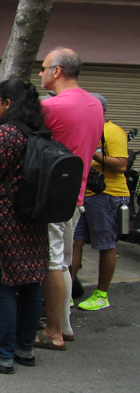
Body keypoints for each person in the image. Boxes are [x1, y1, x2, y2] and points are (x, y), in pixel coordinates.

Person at [0, 78, 50, 375]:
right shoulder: (39, 132)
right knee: (31, 283)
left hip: (6, 219)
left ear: (8, 103)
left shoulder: (7, 134)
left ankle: (1, 355)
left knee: (3, 285)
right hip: (35, 219)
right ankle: (24, 349)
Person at [36, 48, 103, 350]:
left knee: (52, 262)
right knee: (62, 261)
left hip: (50, 197)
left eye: (44, 67)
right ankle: (64, 324)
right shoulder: (95, 105)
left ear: (57, 71)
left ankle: (54, 331)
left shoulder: (51, 107)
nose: (41, 73)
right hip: (77, 196)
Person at [72, 93, 130, 312]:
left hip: (108, 195)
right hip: (84, 195)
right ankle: (66, 292)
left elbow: (121, 165)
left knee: (105, 245)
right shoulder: (85, 129)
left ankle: (101, 294)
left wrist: (93, 153)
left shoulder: (112, 131)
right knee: (74, 242)